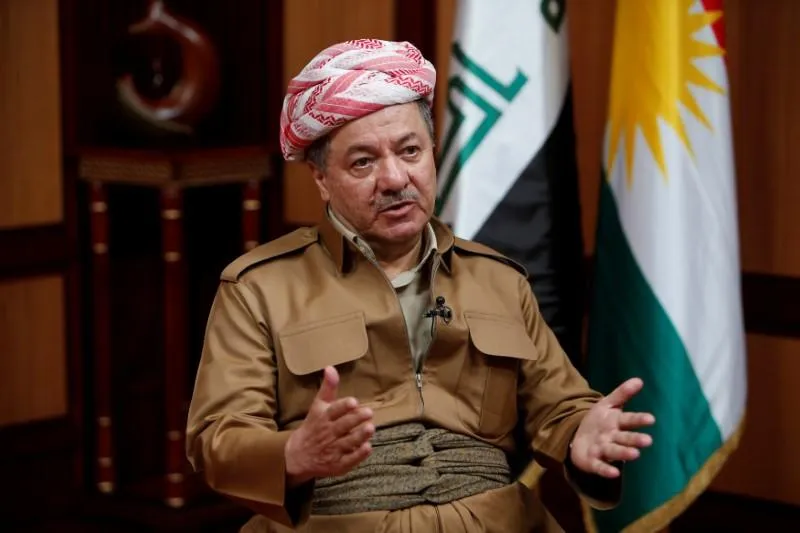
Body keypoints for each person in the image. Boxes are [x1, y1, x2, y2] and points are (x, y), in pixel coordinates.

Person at [185, 39, 655, 533]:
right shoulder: (258, 287)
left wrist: (583, 432)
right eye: (363, 162)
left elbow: (559, 404)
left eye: (410, 151)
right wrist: (294, 454)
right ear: (320, 178)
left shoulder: (498, 279)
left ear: (433, 154)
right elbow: (218, 438)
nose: (394, 178)